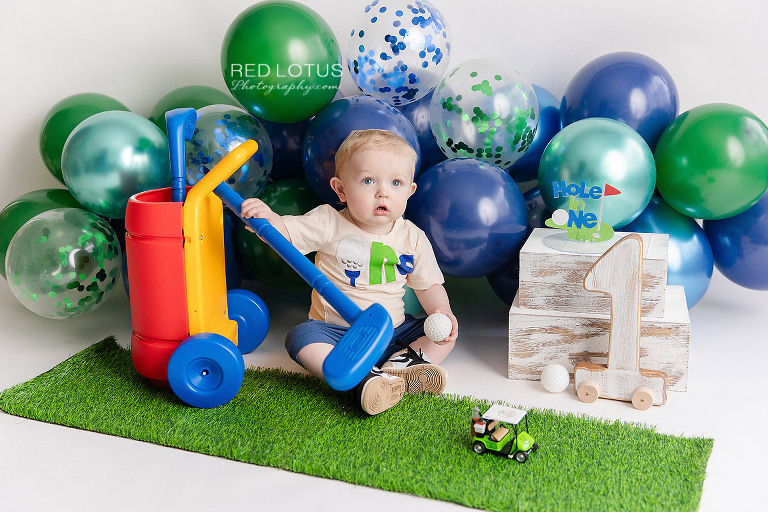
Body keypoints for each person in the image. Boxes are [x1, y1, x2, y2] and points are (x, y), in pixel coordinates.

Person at [241, 129, 458, 415]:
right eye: (368, 181)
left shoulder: (413, 238)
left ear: (409, 191)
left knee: (445, 334)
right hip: (336, 333)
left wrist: (441, 310)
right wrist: (269, 221)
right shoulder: (329, 222)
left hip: (391, 332)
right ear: (341, 189)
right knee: (299, 339)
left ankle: (402, 365)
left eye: (396, 183)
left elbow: (427, 285)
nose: (383, 192)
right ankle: (363, 380)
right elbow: (288, 234)